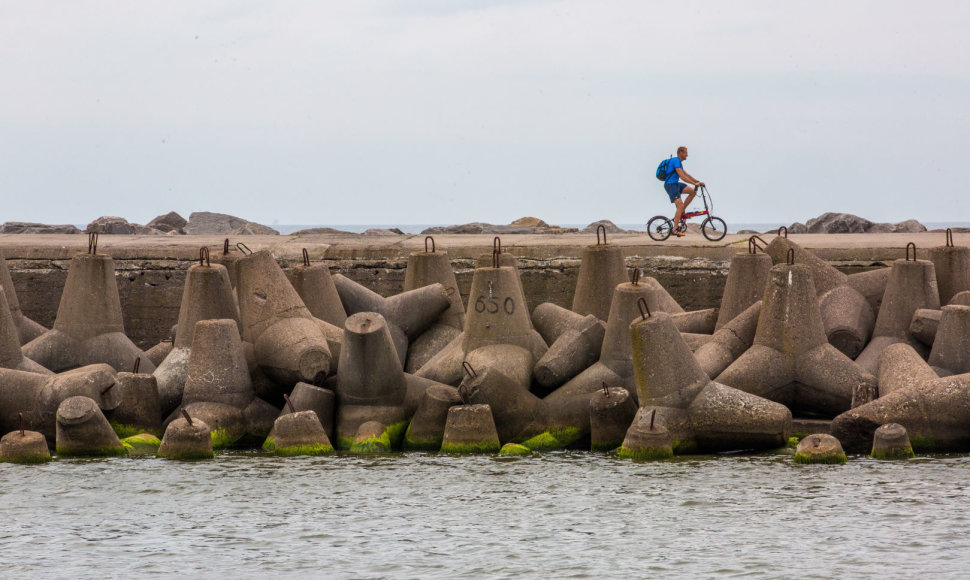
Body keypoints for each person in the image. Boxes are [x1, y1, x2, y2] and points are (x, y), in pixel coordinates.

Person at [663, 146, 705, 236]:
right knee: (680, 206)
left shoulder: (679, 163)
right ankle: (674, 229)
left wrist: (698, 182)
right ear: (681, 153)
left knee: (693, 192)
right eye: (686, 153)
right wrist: (694, 184)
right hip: (671, 185)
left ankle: (682, 210)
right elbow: (682, 177)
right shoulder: (675, 161)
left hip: (676, 184)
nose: (687, 155)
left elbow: (687, 175)